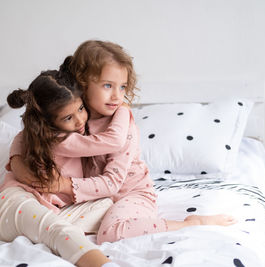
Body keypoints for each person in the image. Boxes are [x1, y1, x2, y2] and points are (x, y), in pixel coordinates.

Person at [20, 40, 237, 244]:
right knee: (43, 224)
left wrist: (66, 185)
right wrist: (17, 161)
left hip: (132, 194)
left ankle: (189, 223)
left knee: (110, 233)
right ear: (82, 84)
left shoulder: (122, 127)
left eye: (122, 87)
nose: (117, 96)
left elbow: (113, 183)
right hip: (97, 200)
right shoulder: (75, 117)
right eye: (107, 86)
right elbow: (32, 134)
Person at [0, 64, 131, 267]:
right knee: (58, 231)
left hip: (51, 211)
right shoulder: (61, 139)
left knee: (107, 204)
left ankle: (43, 232)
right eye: (68, 117)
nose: (79, 121)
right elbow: (113, 141)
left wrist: (15, 159)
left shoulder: (35, 137)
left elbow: (20, 139)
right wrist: (124, 110)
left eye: (81, 108)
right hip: (14, 204)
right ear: (46, 122)